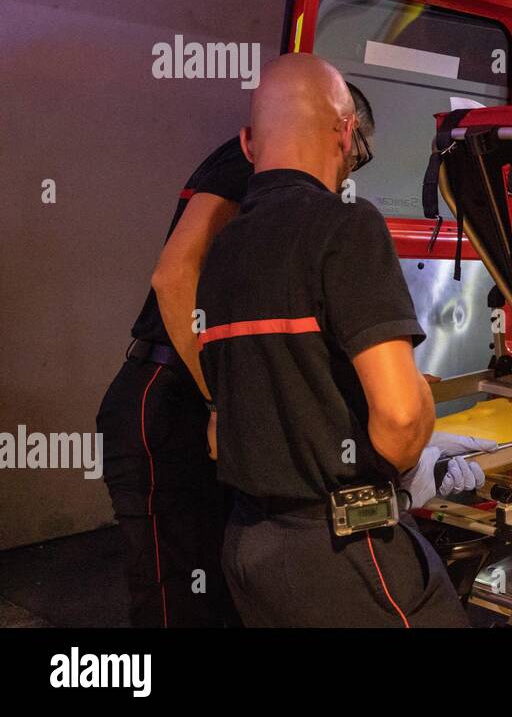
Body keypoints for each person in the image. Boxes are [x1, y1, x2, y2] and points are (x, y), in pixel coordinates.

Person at [195, 53, 489, 627]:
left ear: (249, 144)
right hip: (345, 555)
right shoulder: (346, 227)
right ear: (346, 129)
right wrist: (421, 446)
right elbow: (402, 420)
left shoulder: (224, 248)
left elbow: (222, 426)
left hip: (249, 550)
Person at [94, 81, 374, 627]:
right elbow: (174, 277)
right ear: (341, 129)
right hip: (166, 400)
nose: (349, 170)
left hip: (190, 402)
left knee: (223, 594)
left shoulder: (283, 199)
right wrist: (221, 399)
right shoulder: (257, 162)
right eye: (357, 151)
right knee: (176, 606)